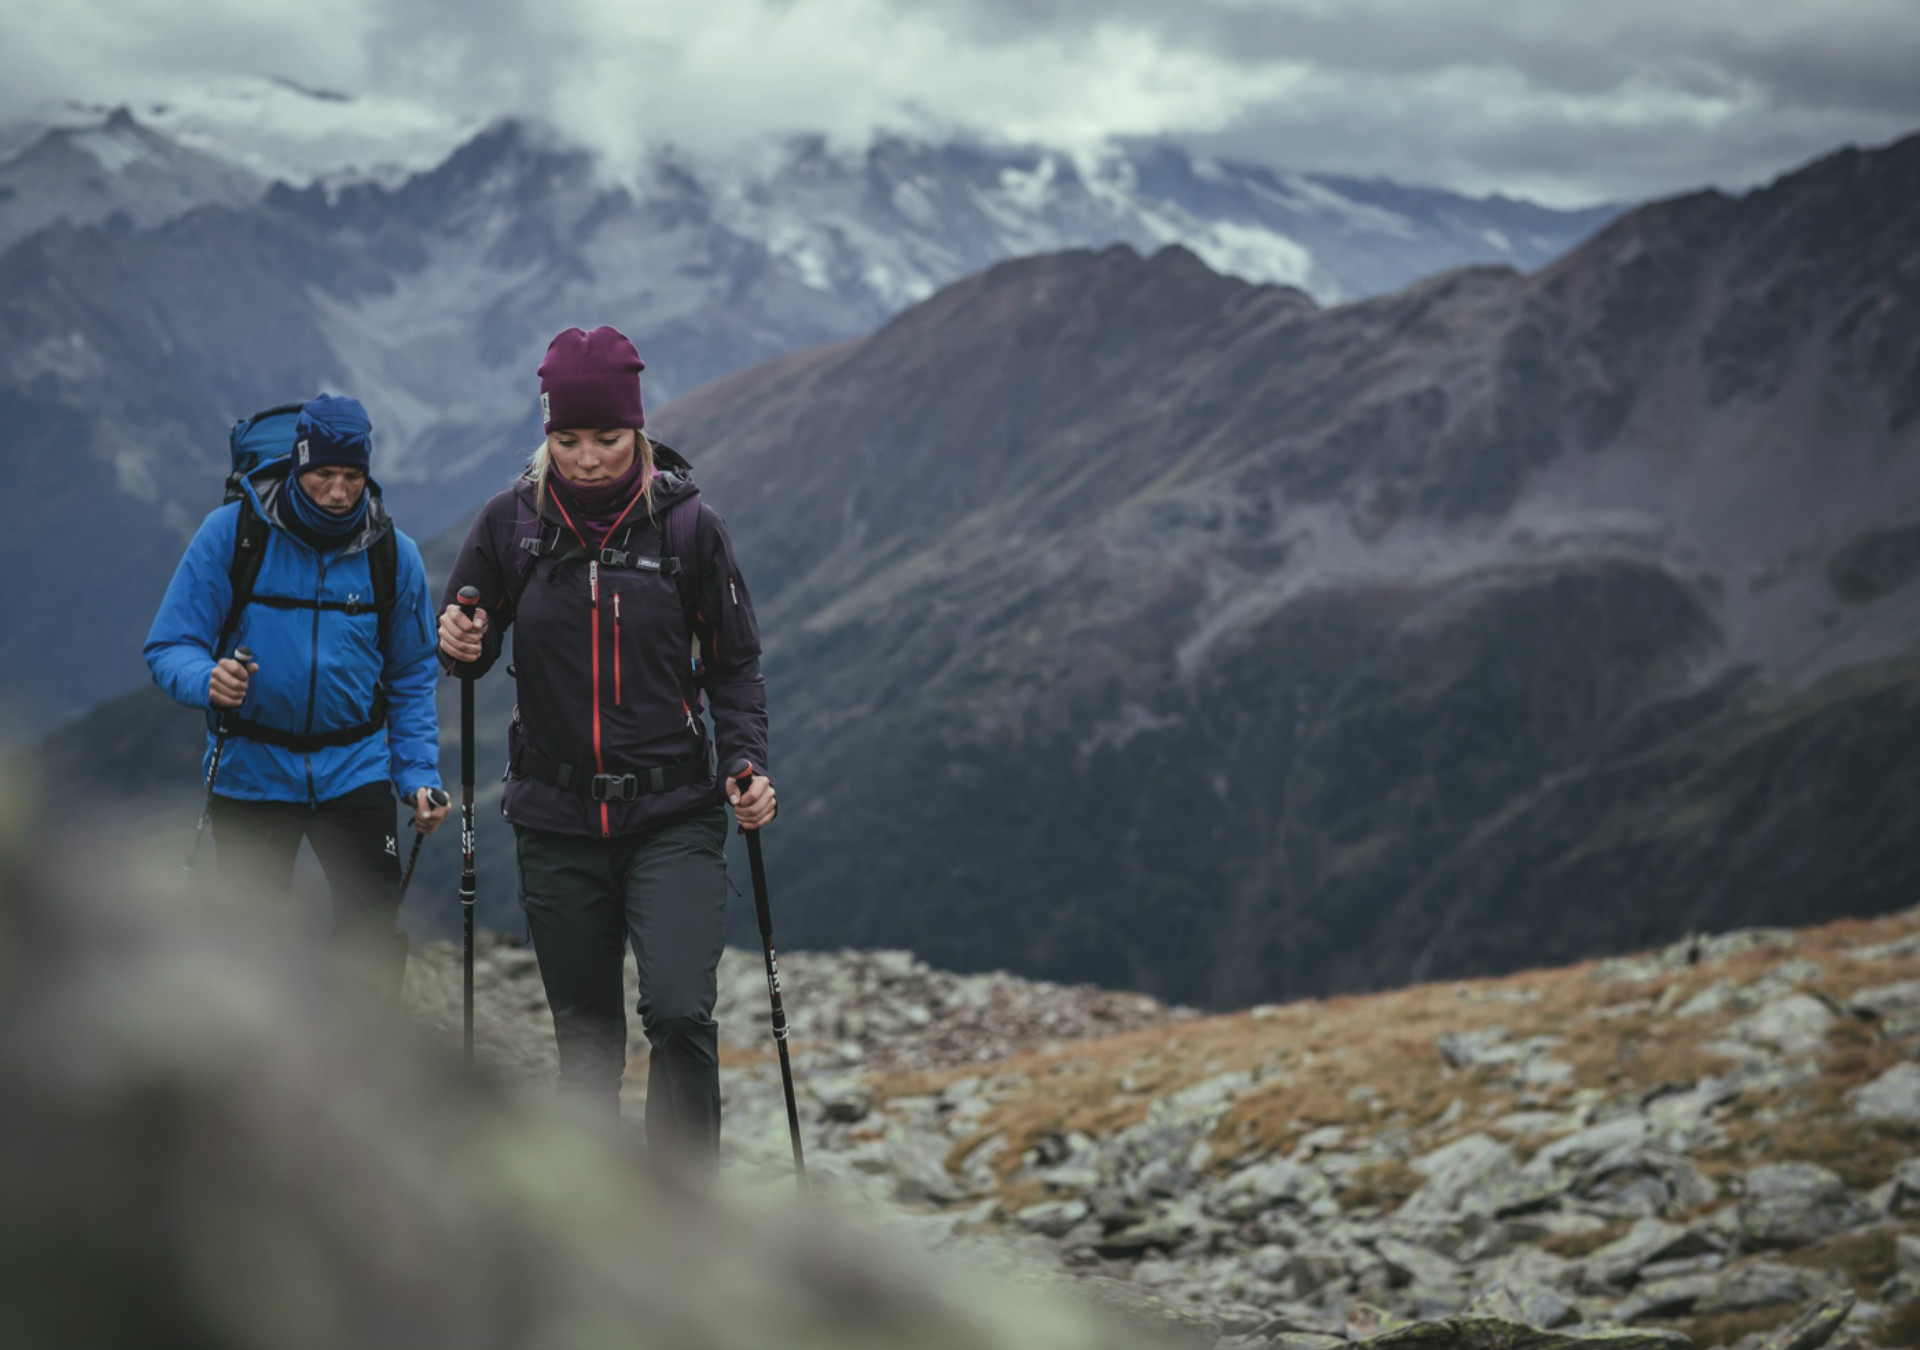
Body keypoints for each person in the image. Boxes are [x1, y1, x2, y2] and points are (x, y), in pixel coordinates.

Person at [436, 325, 773, 1157]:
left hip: (674, 812)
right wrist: (460, 640)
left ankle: (683, 1206)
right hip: (555, 818)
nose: (586, 458)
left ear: (639, 430)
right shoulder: (507, 526)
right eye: (568, 440)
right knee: (586, 1041)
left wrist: (745, 761)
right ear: (546, 433)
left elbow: (734, 666)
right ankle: (594, 1213)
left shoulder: (690, 530)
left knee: (680, 1014)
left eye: (607, 438)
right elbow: (466, 643)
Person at [145, 394, 448, 996]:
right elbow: (170, 645)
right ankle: (251, 1051)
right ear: (296, 465)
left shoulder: (394, 555)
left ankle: (363, 1047)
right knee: (250, 938)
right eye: (323, 474)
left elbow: (412, 675)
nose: (338, 491)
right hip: (251, 769)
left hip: (356, 768)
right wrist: (206, 679)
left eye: (352, 476)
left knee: (371, 930)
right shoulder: (233, 535)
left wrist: (417, 774)